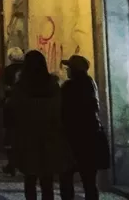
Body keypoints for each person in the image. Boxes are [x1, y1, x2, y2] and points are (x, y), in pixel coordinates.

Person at [9, 50, 67, 200]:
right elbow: (60, 111)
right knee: (47, 181)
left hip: (28, 139)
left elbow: (13, 113)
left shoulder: (21, 88)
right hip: (50, 138)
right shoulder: (53, 86)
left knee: (30, 180)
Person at [60, 55, 107, 200]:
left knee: (66, 177)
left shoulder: (69, 87)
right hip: (91, 136)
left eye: (69, 68)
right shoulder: (90, 83)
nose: (67, 70)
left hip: (72, 138)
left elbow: (63, 111)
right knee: (89, 181)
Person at [2, 47, 25, 175]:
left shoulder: (8, 70)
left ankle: (12, 164)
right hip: (25, 107)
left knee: (10, 136)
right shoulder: (28, 70)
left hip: (11, 106)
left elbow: (4, 87)